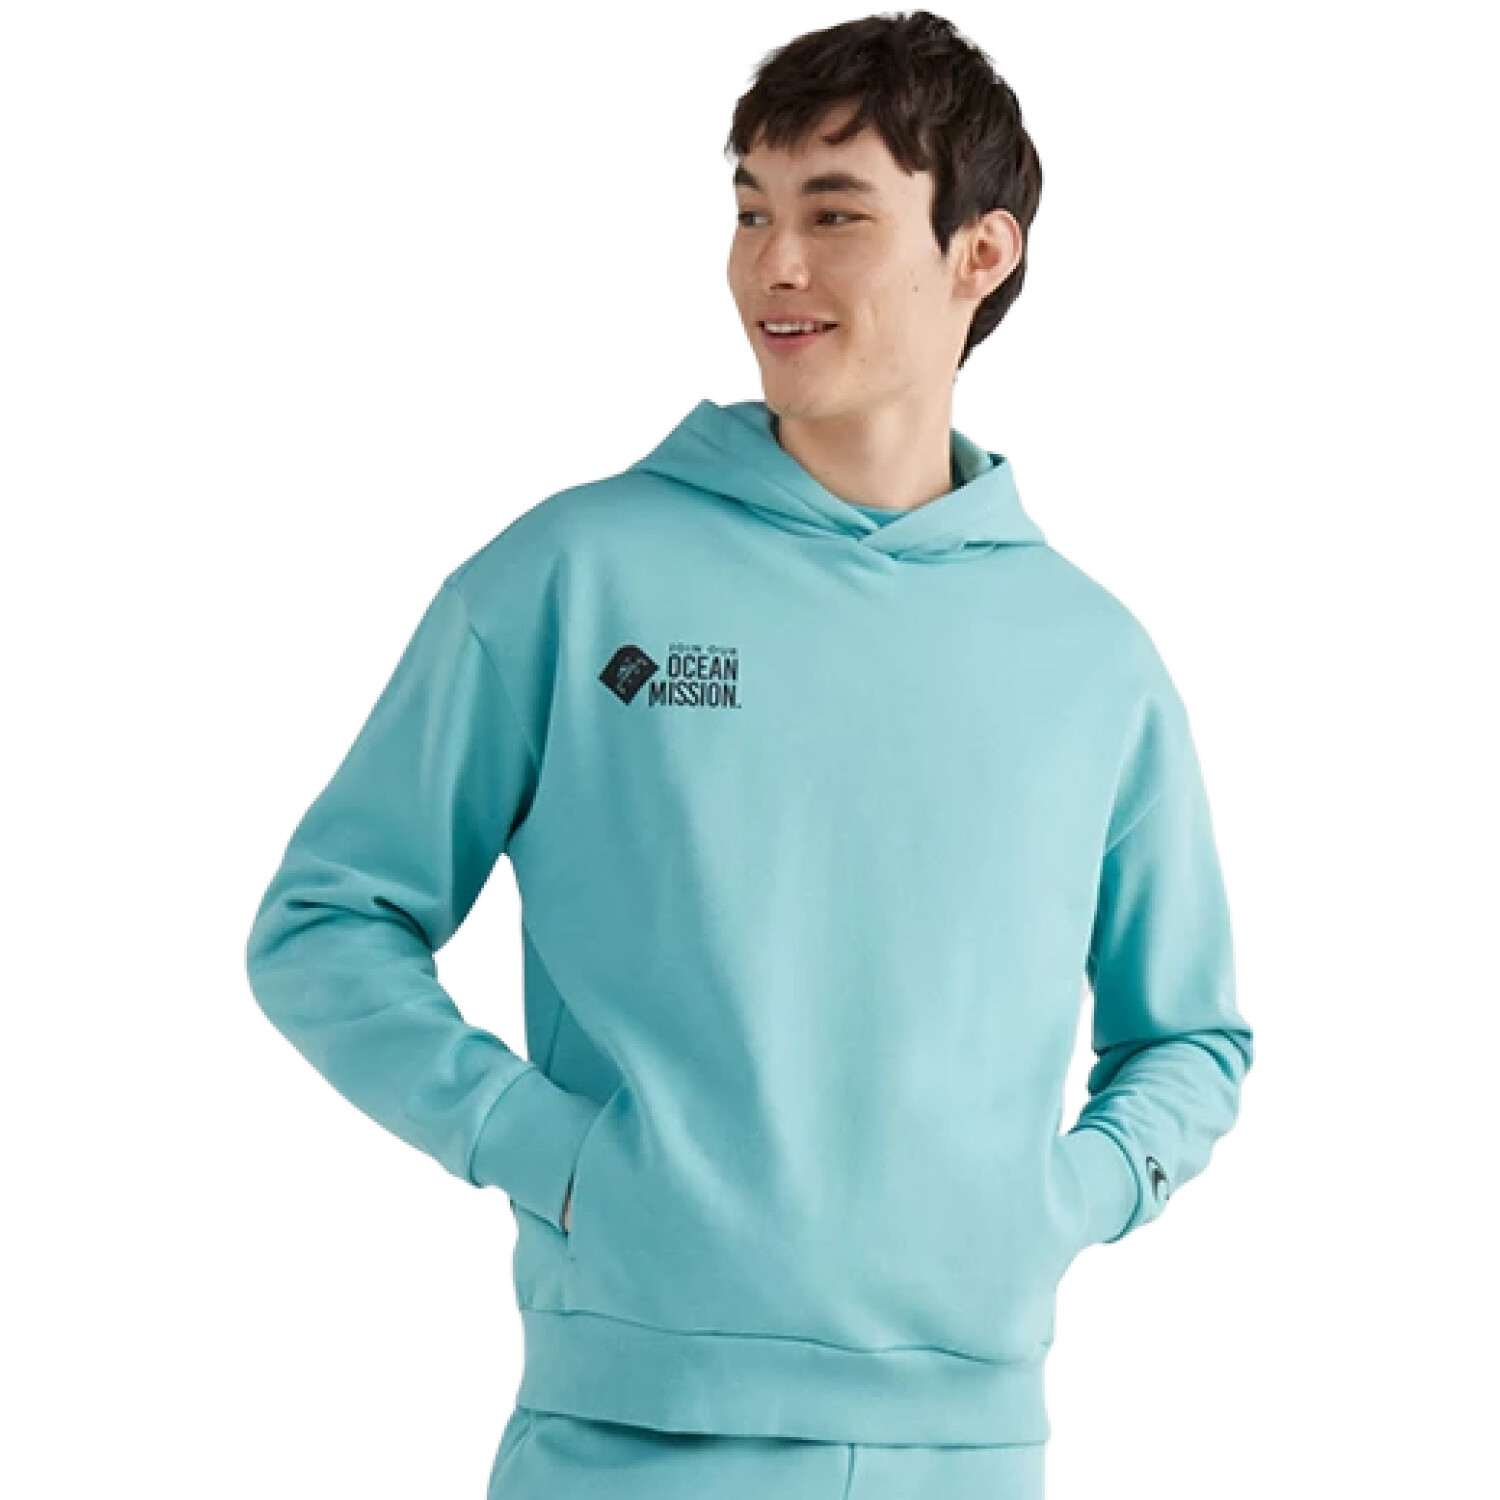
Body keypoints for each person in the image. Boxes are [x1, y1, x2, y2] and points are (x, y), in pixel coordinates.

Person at [244, 11, 1254, 1498]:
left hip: (969, 1451)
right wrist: (547, 1150)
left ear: (980, 253)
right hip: (629, 1436)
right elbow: (326, 923)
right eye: (750, 212)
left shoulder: (1091, 656)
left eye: (835, 216)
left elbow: (1189, 1040)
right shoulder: (573, 579)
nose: (774, 265)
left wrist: (1063, 1199)